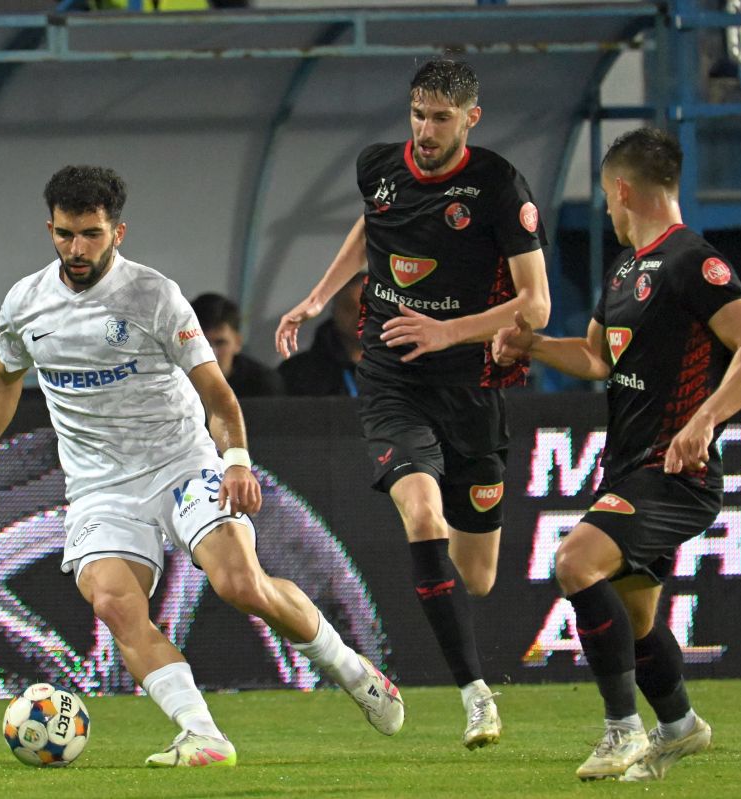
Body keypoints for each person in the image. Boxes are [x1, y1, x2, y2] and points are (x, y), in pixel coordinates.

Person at [0, 165, 403, 768]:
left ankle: (353, 670)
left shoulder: (153, 296)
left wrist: (236, 460)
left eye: (90, 234)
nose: (76, 248)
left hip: (181, 465)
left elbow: (218, 394)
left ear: (118, 232)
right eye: (64, 234)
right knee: (113, 605)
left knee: (241, 586)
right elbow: (3, 380)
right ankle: (203, 733)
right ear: (50, 229)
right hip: (99, 488)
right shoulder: (26, 302)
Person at [275, 58, 551, 749]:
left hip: (472, 389)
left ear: (470, 119)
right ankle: (476, 696)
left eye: (441, 119)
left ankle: (448, 578)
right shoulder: (377, 167)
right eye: (418, 116)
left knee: (478, 576)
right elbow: (373, 226)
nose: (426, 131)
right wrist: (318, 297)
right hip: (393, 380)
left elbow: (537, 305)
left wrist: (448, 331)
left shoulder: (498, 185)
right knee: (421, 515)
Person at [492, 127, 741, 781]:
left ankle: (621, 729)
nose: (608, 209)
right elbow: (597, 357)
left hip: (677, 472)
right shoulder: (625, 269)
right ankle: (679, 726)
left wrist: (704, 420)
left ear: (621, 190)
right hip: (627, 465)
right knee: (636, 615)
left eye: (606, 196)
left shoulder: (693, 261)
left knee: (575, 559)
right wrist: (532, 345)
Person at [278, 271, 365, 396]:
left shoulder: (395, 368)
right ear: (334, 311)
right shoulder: (296, 373)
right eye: (349, 307)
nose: (360, 316)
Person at [190, 292, 284, 398]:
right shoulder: (175, 381)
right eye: (202, 344)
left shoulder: (264, 386)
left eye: (220, 343)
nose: (211, 352)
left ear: (238, 342)